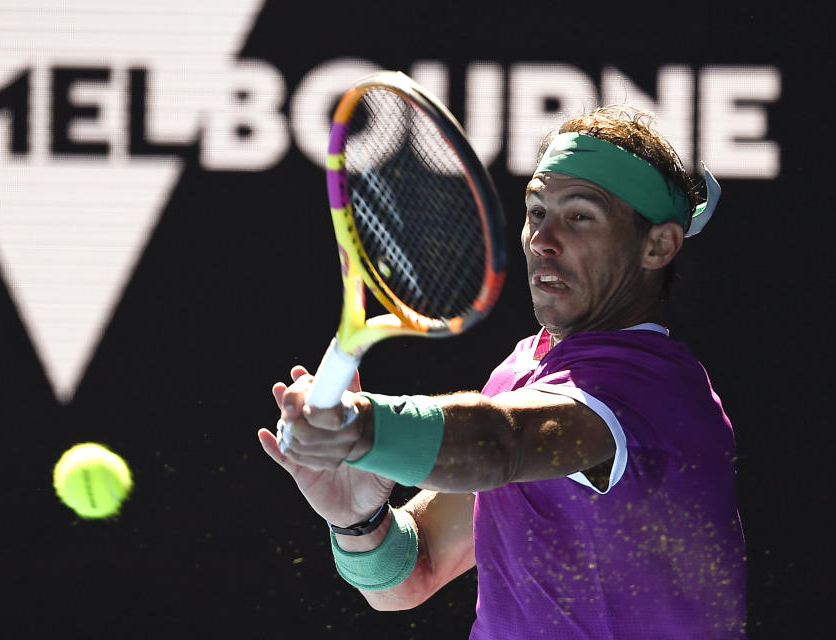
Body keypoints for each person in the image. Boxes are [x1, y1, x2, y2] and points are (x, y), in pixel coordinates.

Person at [258, 105, 747, 639]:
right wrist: (359, 522)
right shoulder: (524, 369)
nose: (542, 239)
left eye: (579, 216)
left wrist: (364, 427)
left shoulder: (653, 392)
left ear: (658, 245)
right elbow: (410, 578)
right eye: (537, 211)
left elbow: (502, 441)